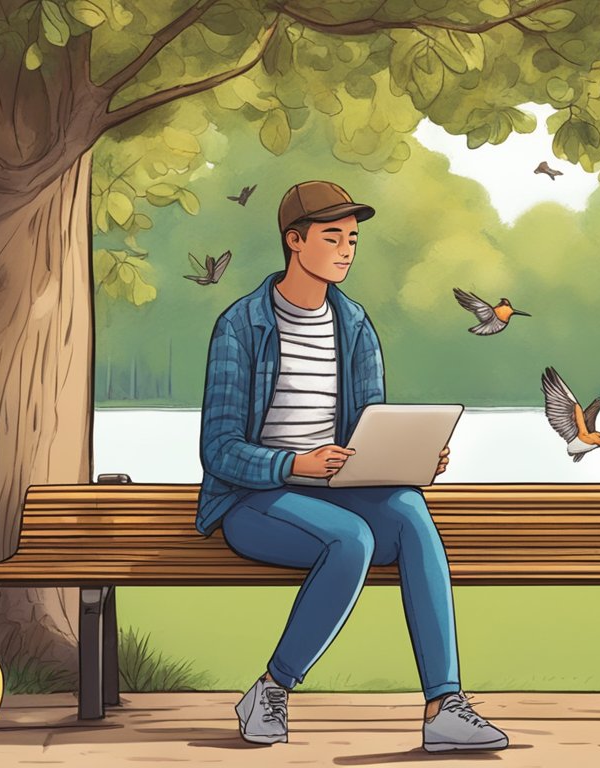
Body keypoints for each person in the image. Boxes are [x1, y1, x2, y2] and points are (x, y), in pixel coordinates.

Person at [196, 180, 508, 752]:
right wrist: (297, 464)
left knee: (410, 511)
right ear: (294, 241)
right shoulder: (242, 325)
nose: (345, 250)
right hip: (254, 500)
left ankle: (445, 705)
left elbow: (368, 430)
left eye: (353, 240)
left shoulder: (355, 324)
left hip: (335, 489)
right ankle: (271, 689)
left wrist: (411, 459)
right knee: (352, 540)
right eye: (332, 237)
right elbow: (218, 449)